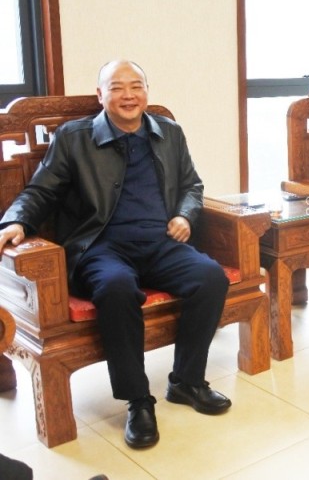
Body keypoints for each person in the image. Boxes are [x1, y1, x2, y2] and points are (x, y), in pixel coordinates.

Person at [0, 61, 231, 449]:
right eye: (117, 87)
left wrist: (184, 215)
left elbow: (192, 185)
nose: (128, 95)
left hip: (160, 243)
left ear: (146, 91)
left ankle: (187, 381)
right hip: (100, 247)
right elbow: (41, 191)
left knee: (210, 278)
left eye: (136, 86)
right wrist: (17, 221)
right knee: (116, 287)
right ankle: (138, 400)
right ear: (100, 95)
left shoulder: (169, 132)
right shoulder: (74, 138)